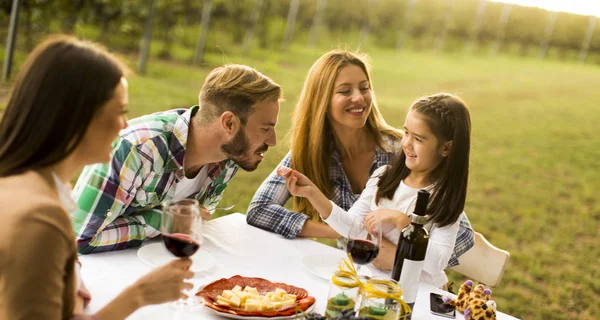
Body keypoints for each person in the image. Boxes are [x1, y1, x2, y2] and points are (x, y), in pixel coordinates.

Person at [0, 36, 194, 320]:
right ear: (75, 116)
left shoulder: (20, 182)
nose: (125, 125)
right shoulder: (39, 218)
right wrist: (136, 297)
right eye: (119, 110)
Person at [246, 49, 473, 270]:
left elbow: (461, 234)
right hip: (359, 269)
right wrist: (341, 230)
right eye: (345, 91)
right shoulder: (308, 153)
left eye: (364, 88)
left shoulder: (401, 151)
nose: (359, 97)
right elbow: (259, 210)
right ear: (322, 100)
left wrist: (400, 253)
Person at [72, 63, 282, 254]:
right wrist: (166, 221)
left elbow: (194, 226)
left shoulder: (229, 157)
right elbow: (80, 237)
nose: (272, 141)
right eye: (265, 129)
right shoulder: (136, 149)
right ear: (229, 124)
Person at [282, 93, 471, 287]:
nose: (406, 143)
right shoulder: (384, 176)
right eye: (406, 133)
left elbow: (436, 262)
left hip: (417, 292)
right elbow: (353, 227)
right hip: (374, 283)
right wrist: (312, 194)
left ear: (446, 149)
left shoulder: (444, 199)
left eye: (418, 139)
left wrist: (402, 222)